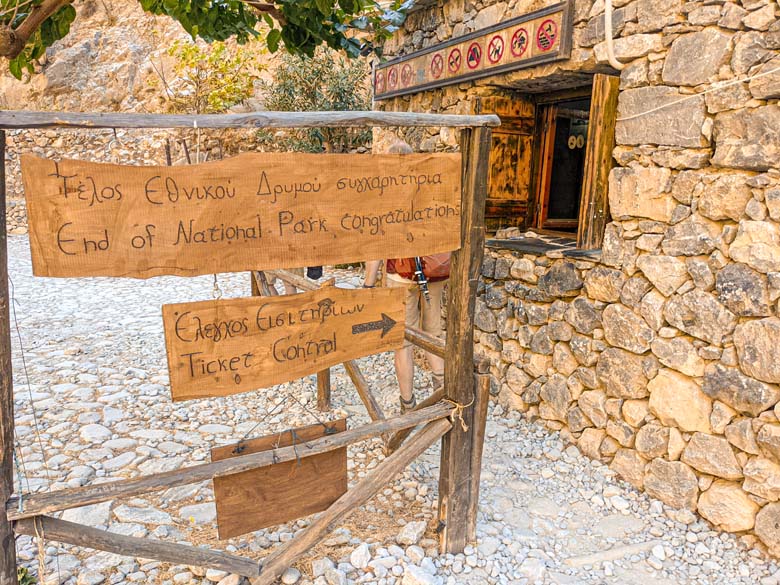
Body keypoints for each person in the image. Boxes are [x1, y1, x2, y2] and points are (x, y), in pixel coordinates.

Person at [364, 257, 446, 412]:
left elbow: (376, 247)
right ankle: (444, 395)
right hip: (435, 269)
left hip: (401, 274)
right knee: (433, 335)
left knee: (403, 343)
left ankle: (408, 406)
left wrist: (368, 285)